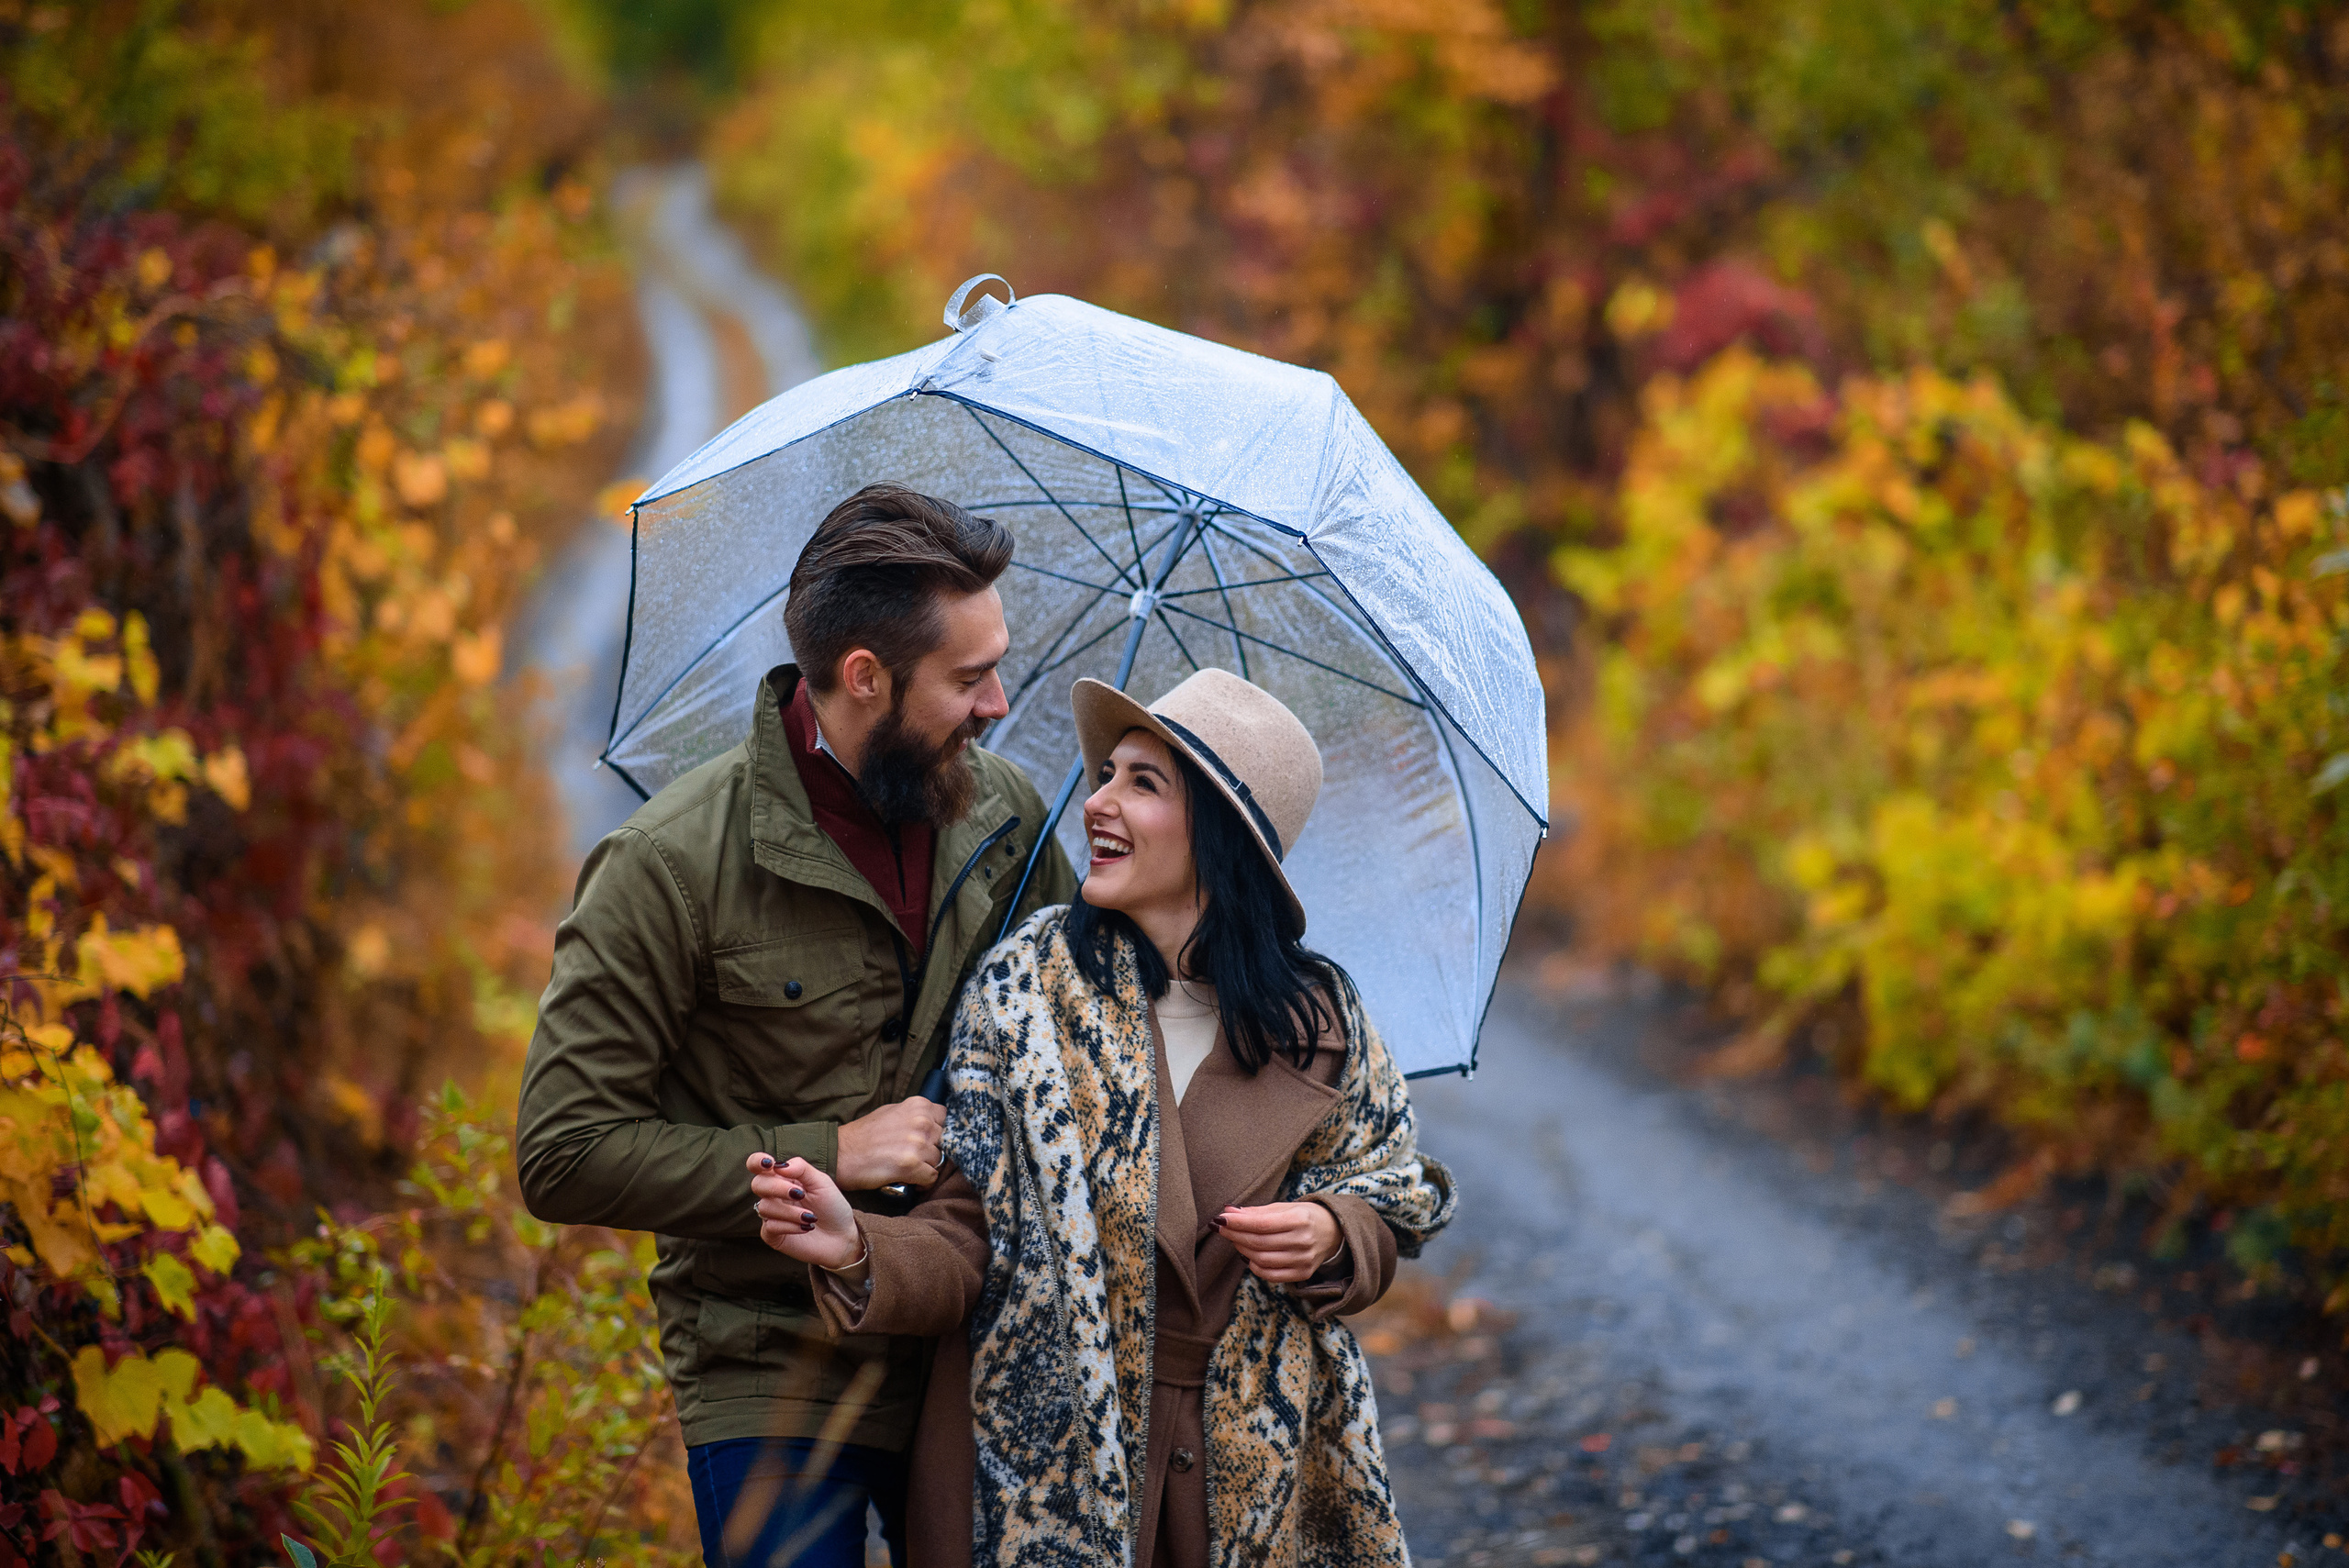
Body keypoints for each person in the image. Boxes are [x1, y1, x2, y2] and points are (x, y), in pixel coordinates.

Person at [749, 667, 1455, 1566]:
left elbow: (1384, 1197)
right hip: (1038, 1469)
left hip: (1238, 1484)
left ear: (1223, 834)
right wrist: (859, 1246)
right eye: (1106, 774)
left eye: (1142, 782)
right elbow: (969, 1234)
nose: (1097, 802)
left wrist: (1333, 1231)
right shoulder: (1028, 991)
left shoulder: (1320, 1021)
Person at [515, 484, 1078, 1568]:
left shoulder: (1011, 823)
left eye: (997, 666)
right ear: (864, 675)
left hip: (969, 1334)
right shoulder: (668, 864)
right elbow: (563, 1149)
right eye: (968, 678)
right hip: (768, 1351)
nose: (999, 703)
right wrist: (831, 1151)